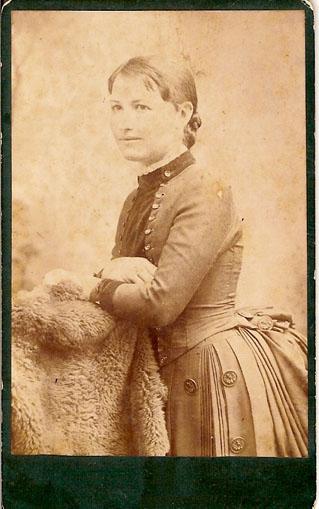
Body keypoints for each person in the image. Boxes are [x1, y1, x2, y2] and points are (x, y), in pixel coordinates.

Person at [90, 55, 307, 457]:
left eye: (142, 107)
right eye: (116, 107)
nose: (125, 122)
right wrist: (111, 271)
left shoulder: (206, 189)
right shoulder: (135, 198)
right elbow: (125, 285)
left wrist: (95, 287)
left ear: (181, 114)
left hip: (209, 376)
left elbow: (159, 304)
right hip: (155, 378)